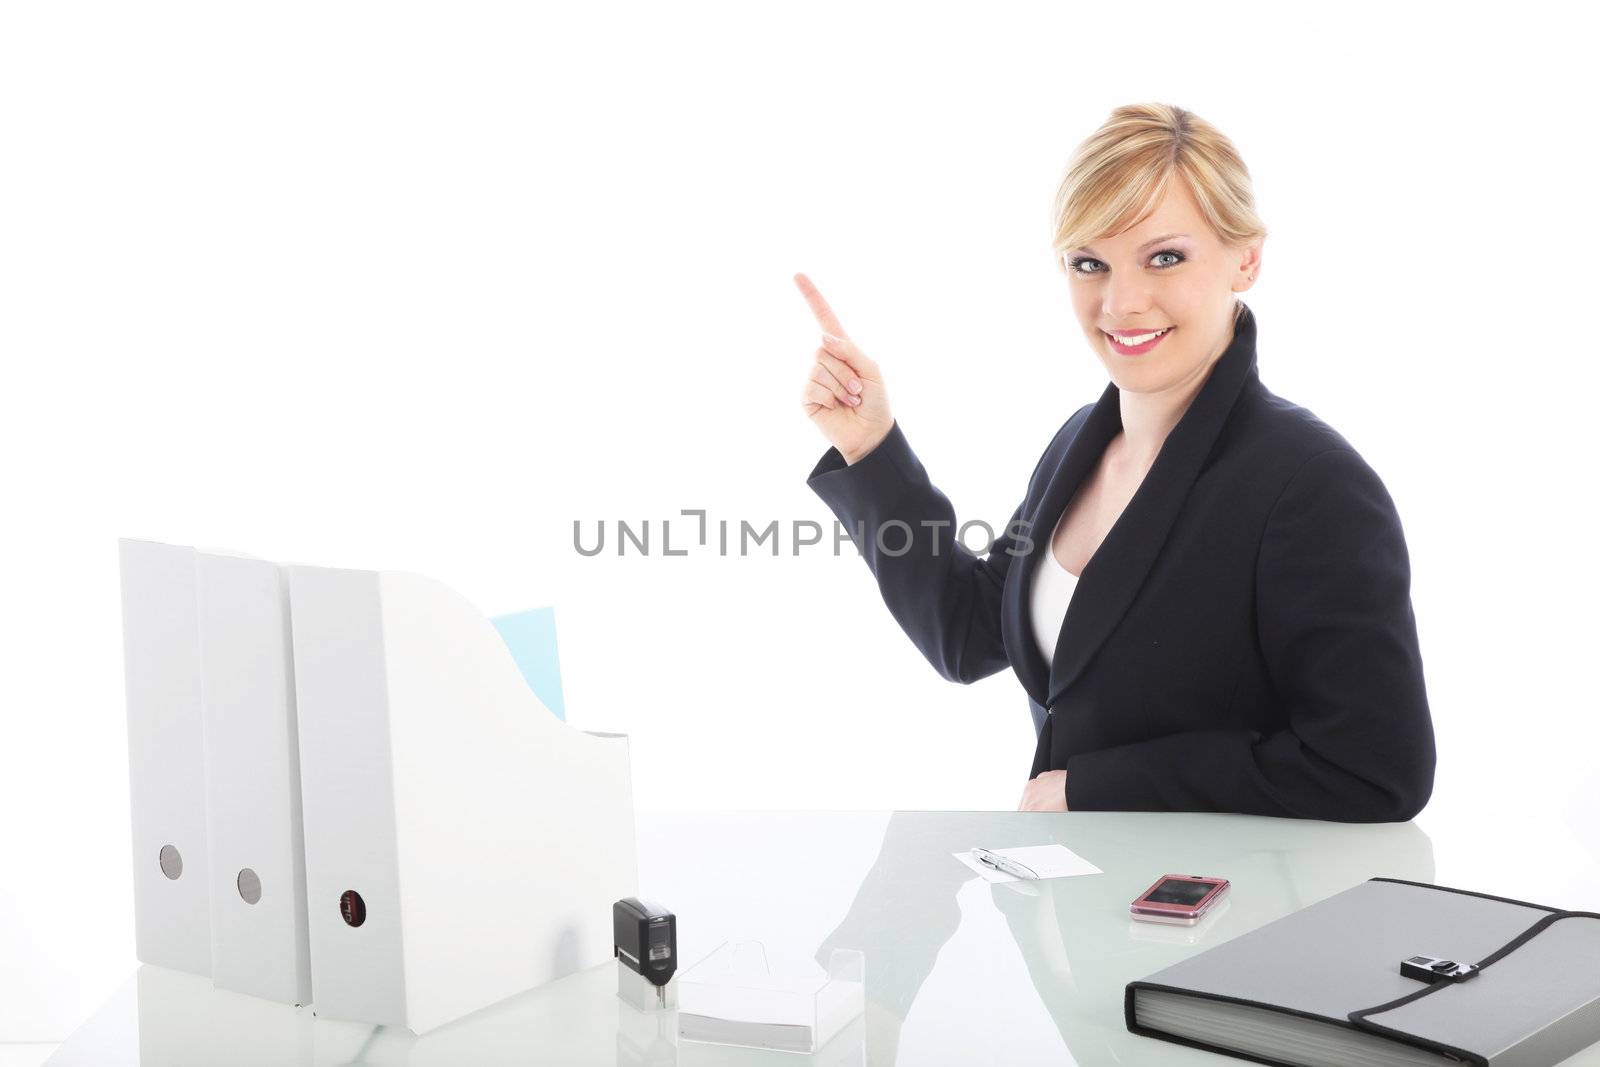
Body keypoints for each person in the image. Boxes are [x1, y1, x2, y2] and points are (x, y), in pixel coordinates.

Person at [796, 102, 1435, 821]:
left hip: (1219, 920)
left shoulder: (1312, 486)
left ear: (1246, 258)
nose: (1121, 301)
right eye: (1089, 263)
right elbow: (968, 633)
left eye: (1165, 256)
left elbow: (1375, 768)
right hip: (1072, 915)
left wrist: (1094, 785)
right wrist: (871, 447)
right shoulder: (1080, 444)